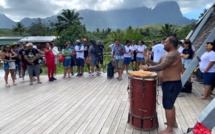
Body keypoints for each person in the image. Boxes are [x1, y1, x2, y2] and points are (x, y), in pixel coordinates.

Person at [140, 36, 182, 134]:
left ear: (171, 44)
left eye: (166, 42)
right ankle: (173, 122)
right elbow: (157, 64)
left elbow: (161, 67)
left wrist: (147, 68)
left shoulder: (173, 54)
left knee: (167, 105)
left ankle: (169, 129)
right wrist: (148, 60)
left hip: (172, 83)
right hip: (169, 83)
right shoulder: (166, 54)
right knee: (170, 104)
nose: (163, 44)